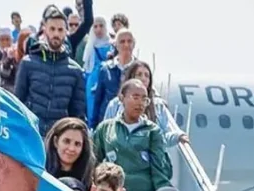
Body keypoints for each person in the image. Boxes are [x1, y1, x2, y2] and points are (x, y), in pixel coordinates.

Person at [92, 79, 172, 191]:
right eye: (135, 97)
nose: (140, 103)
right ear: (122, 98)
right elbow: (94, 163)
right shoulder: (105, 129)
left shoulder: (152, 131)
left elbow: (160, 171)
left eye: (145, 99)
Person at [13, 6, 86, 136]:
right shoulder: (28, 63)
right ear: (45, 30)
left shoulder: (75, 71)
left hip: (59, 139)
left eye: (60, 29)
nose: (56, 34)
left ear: (66, 32)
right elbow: (17, 102)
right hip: (31, 134)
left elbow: (78, 114)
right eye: (52, 29)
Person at [102, 59, 189, 148]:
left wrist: (178, 136)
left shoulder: (158, 106)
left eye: (147, 76)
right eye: (139, 74)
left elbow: (162, 137)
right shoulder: (115, 104)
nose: (143, 78)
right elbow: (105, 133)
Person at [91, 29, 136, 127]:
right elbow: (98, 100)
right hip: (107, 122)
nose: (126, 45)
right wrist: (93, 126)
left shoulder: (139, 70)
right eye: (122, 41)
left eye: (129, 41)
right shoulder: (106, 69)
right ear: (116, 44)